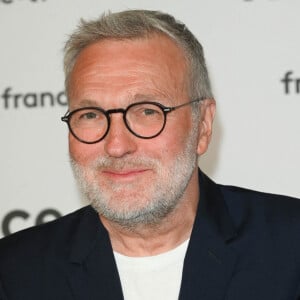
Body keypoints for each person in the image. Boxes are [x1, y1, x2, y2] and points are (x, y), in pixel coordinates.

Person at [0, 9, 300, 300]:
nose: (116, 146)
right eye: (91, 115)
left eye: (147, 111)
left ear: (203, 125)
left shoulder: (291, 248)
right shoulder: (14, 273)